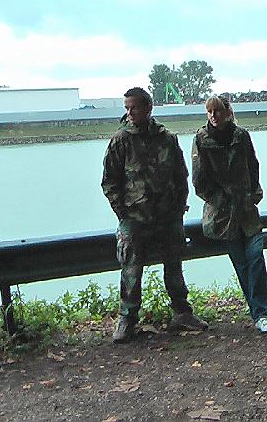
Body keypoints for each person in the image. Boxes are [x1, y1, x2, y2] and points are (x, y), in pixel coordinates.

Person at [102, 87, 208, 343]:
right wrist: (123, 213)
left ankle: (182, 312)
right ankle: (127, 319)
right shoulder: (120, 140)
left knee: (174, 264)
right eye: (126, 108)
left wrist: (178, 208)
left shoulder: (167, 138)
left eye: (134, 108)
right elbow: (109, 182)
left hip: (167, 216)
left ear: (148, 109)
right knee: (131, 268)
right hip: (134, 218)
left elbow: (180, 176)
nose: (129, 113)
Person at [192, 96, 267, 334]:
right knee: (243, 265)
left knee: (256, 257)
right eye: (209, 111)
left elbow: (253, 164)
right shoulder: (201, 139)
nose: (213, 115)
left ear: (228, 112)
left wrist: (254, 192)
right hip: (223, 215)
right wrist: (218, 200)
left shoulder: (241, 136)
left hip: (247, 209)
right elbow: (199, 180)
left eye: (217, 111)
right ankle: (262, 314)